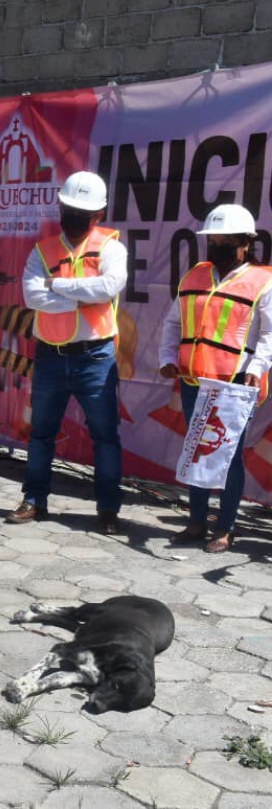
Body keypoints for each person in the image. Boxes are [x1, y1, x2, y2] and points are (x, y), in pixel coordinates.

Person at [9, 171, 127, 533]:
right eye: (69, 208)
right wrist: (80, 299)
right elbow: (32, 296)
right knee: (42, 432)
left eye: (82, 211)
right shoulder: (42, 250)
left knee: (105, 436)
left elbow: (108, 288)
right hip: (51, 356)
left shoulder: (111, 247)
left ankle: (108, 509)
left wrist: (57, 286)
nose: (73, 215)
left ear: (99, 215)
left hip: (96, 357)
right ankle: (34, 500)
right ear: (61, 206)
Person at [158, 204, 272, 554]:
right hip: (195, 382)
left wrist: (256, 370)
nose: (217, 243)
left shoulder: (262, 281)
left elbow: (269, 334)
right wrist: (166, 358)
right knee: (196, 451)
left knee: (228, 456)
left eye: (225, 238)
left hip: (235, 385)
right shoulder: (195, 275)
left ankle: (225, 528)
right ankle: (195, 521)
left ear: (245, 243)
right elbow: (172, 323)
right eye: (214, 237)